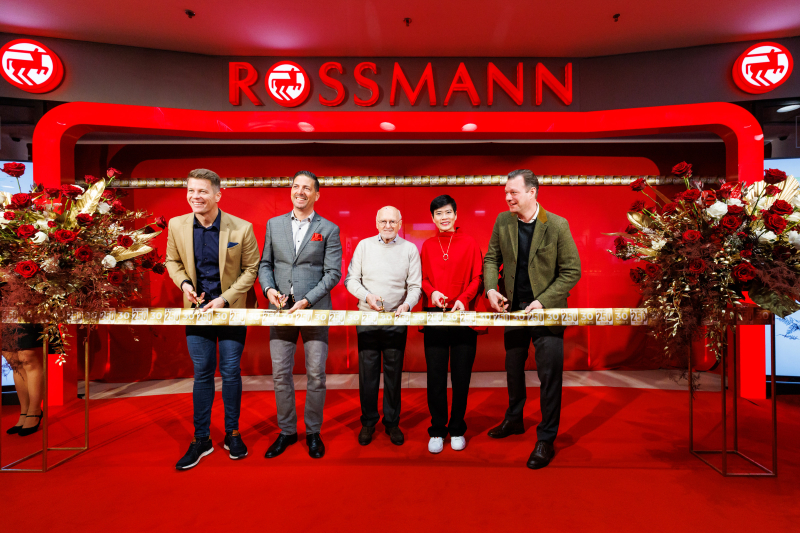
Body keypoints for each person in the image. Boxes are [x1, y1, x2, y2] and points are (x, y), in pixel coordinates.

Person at [483, 169, 581, 469]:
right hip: (513, 311)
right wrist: (491, 289)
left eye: (513, 192)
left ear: (532, 192)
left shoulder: (558, 225)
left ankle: (546, 439)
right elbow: (491, 258)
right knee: (513, 368)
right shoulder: (503, 221)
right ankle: (514, 419)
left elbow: (571, 271)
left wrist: (543, 301)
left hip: (546, 312)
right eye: (506, 192)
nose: (508, 197)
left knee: (549, 375)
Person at [165, 168, 260, 470]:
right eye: (191, 191)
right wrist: (184, 284)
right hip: (196, 310)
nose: (195, 196)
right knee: (202, 373)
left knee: (231, 372)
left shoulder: (242, 228)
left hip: (231, 309)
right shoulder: (176, 225)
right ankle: (201, 438)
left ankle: (233, 433)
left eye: (202, 191)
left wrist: (224, 298)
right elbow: (172, 261)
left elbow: (251, 269)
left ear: (218, 194)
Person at [258, 170, 342, 459]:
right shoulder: (274, 224)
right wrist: (269, 289)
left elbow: (333, 273)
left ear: (317, 194)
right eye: (296, 186)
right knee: (280, 373)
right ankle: (287, 431)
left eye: (307, 188)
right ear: (290, 190)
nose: (300, 192)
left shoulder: (328, 229)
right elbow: (265, 264)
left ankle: (313, 432)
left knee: (316, 374)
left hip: (314, 309)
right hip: (280, 309)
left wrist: (306, 300)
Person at [345, 206, 421, 447]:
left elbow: (415, 287)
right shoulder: (363, 246)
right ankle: (368, 422)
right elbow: (351, 280)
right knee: (368, 374)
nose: (388, 226)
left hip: (396, 320)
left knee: (394, 373)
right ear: (376, 223)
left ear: (400, 223)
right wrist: (366, 296)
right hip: (367, 319)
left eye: (392, 221)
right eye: (383, 221)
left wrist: (407, 305)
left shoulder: (410, 249)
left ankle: (392, 422)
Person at [420, 195, 484, 454]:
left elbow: (478, 277)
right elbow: (422, 278)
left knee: (461, 377)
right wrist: (432, 292)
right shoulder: (427, 245)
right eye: (438, 213)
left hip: (463, 316)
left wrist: (463, 299)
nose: (444, 217)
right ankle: (437, 429)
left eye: (448, 212)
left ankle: (457, 428)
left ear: (456, 215)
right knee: (435, 377)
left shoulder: (470, 243)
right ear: (433, 218)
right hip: (434, 315)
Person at [2, 324, 46, 437]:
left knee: (28, 356)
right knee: (12, 358)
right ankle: (25, 411)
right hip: (5, 316)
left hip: (30, 315)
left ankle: (34, 411)